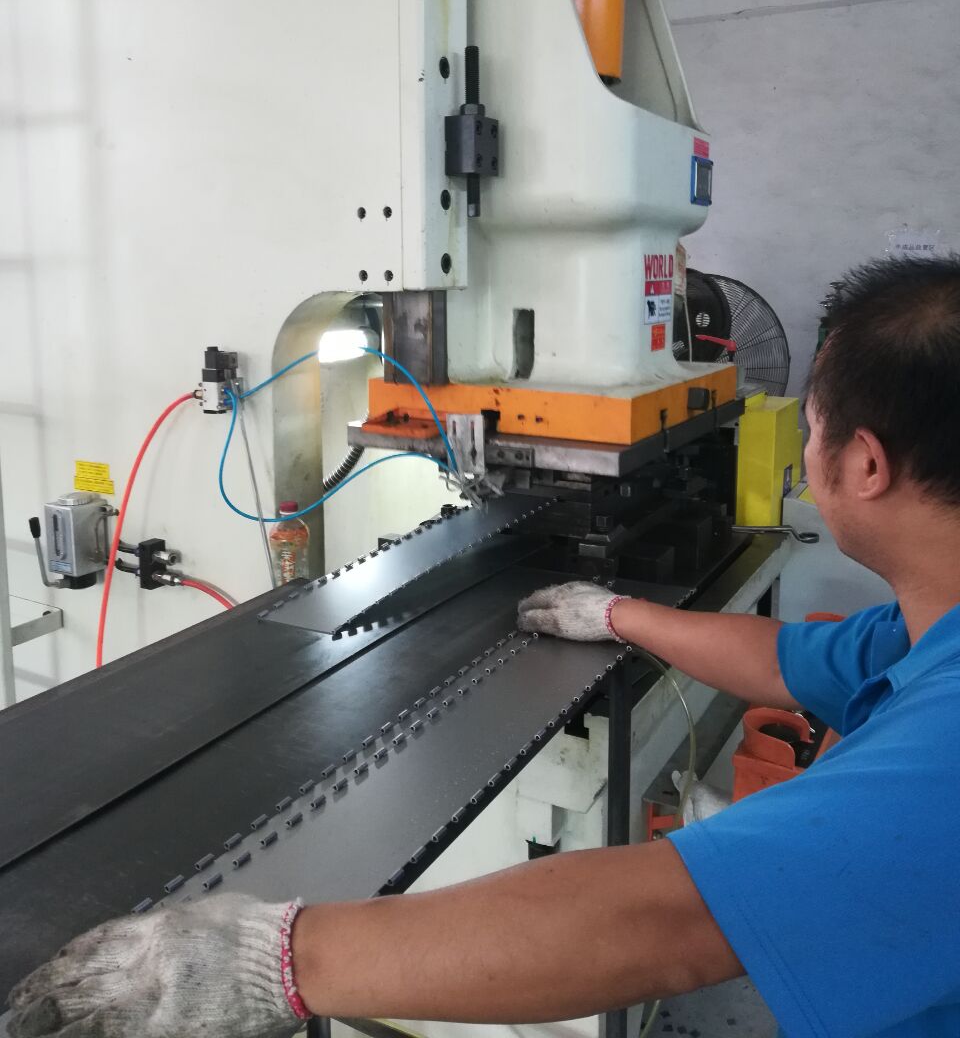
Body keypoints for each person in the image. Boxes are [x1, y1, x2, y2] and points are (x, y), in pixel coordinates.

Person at [10, 255, 960, 1038]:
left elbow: (669, 921)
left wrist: (275, 960)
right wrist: (617, 616)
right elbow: (791, 662)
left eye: (811, 423)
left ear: (865, 463)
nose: (803, 446)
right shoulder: (927, 628)